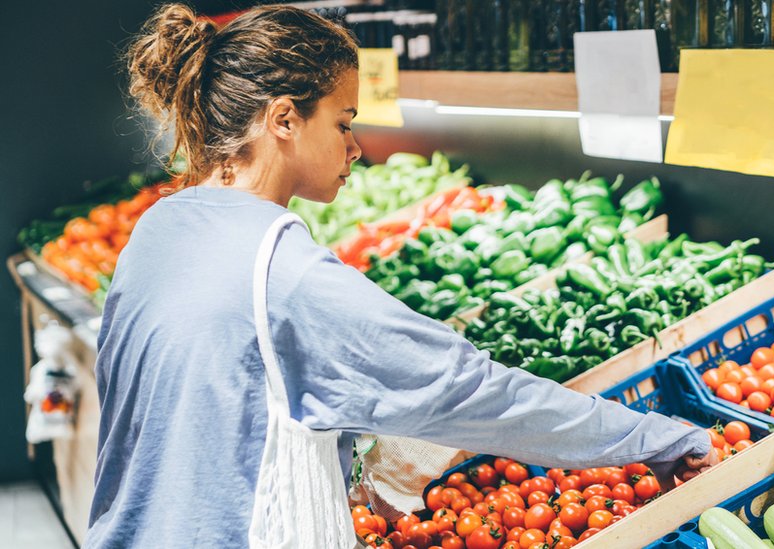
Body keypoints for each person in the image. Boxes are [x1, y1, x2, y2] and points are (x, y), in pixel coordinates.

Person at [86, 4, 717, 548]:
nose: (355, 146)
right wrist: (655, 438)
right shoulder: (282, 271)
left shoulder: (159, 229)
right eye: (342, 121)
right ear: (283, 120)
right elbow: (476, 392)